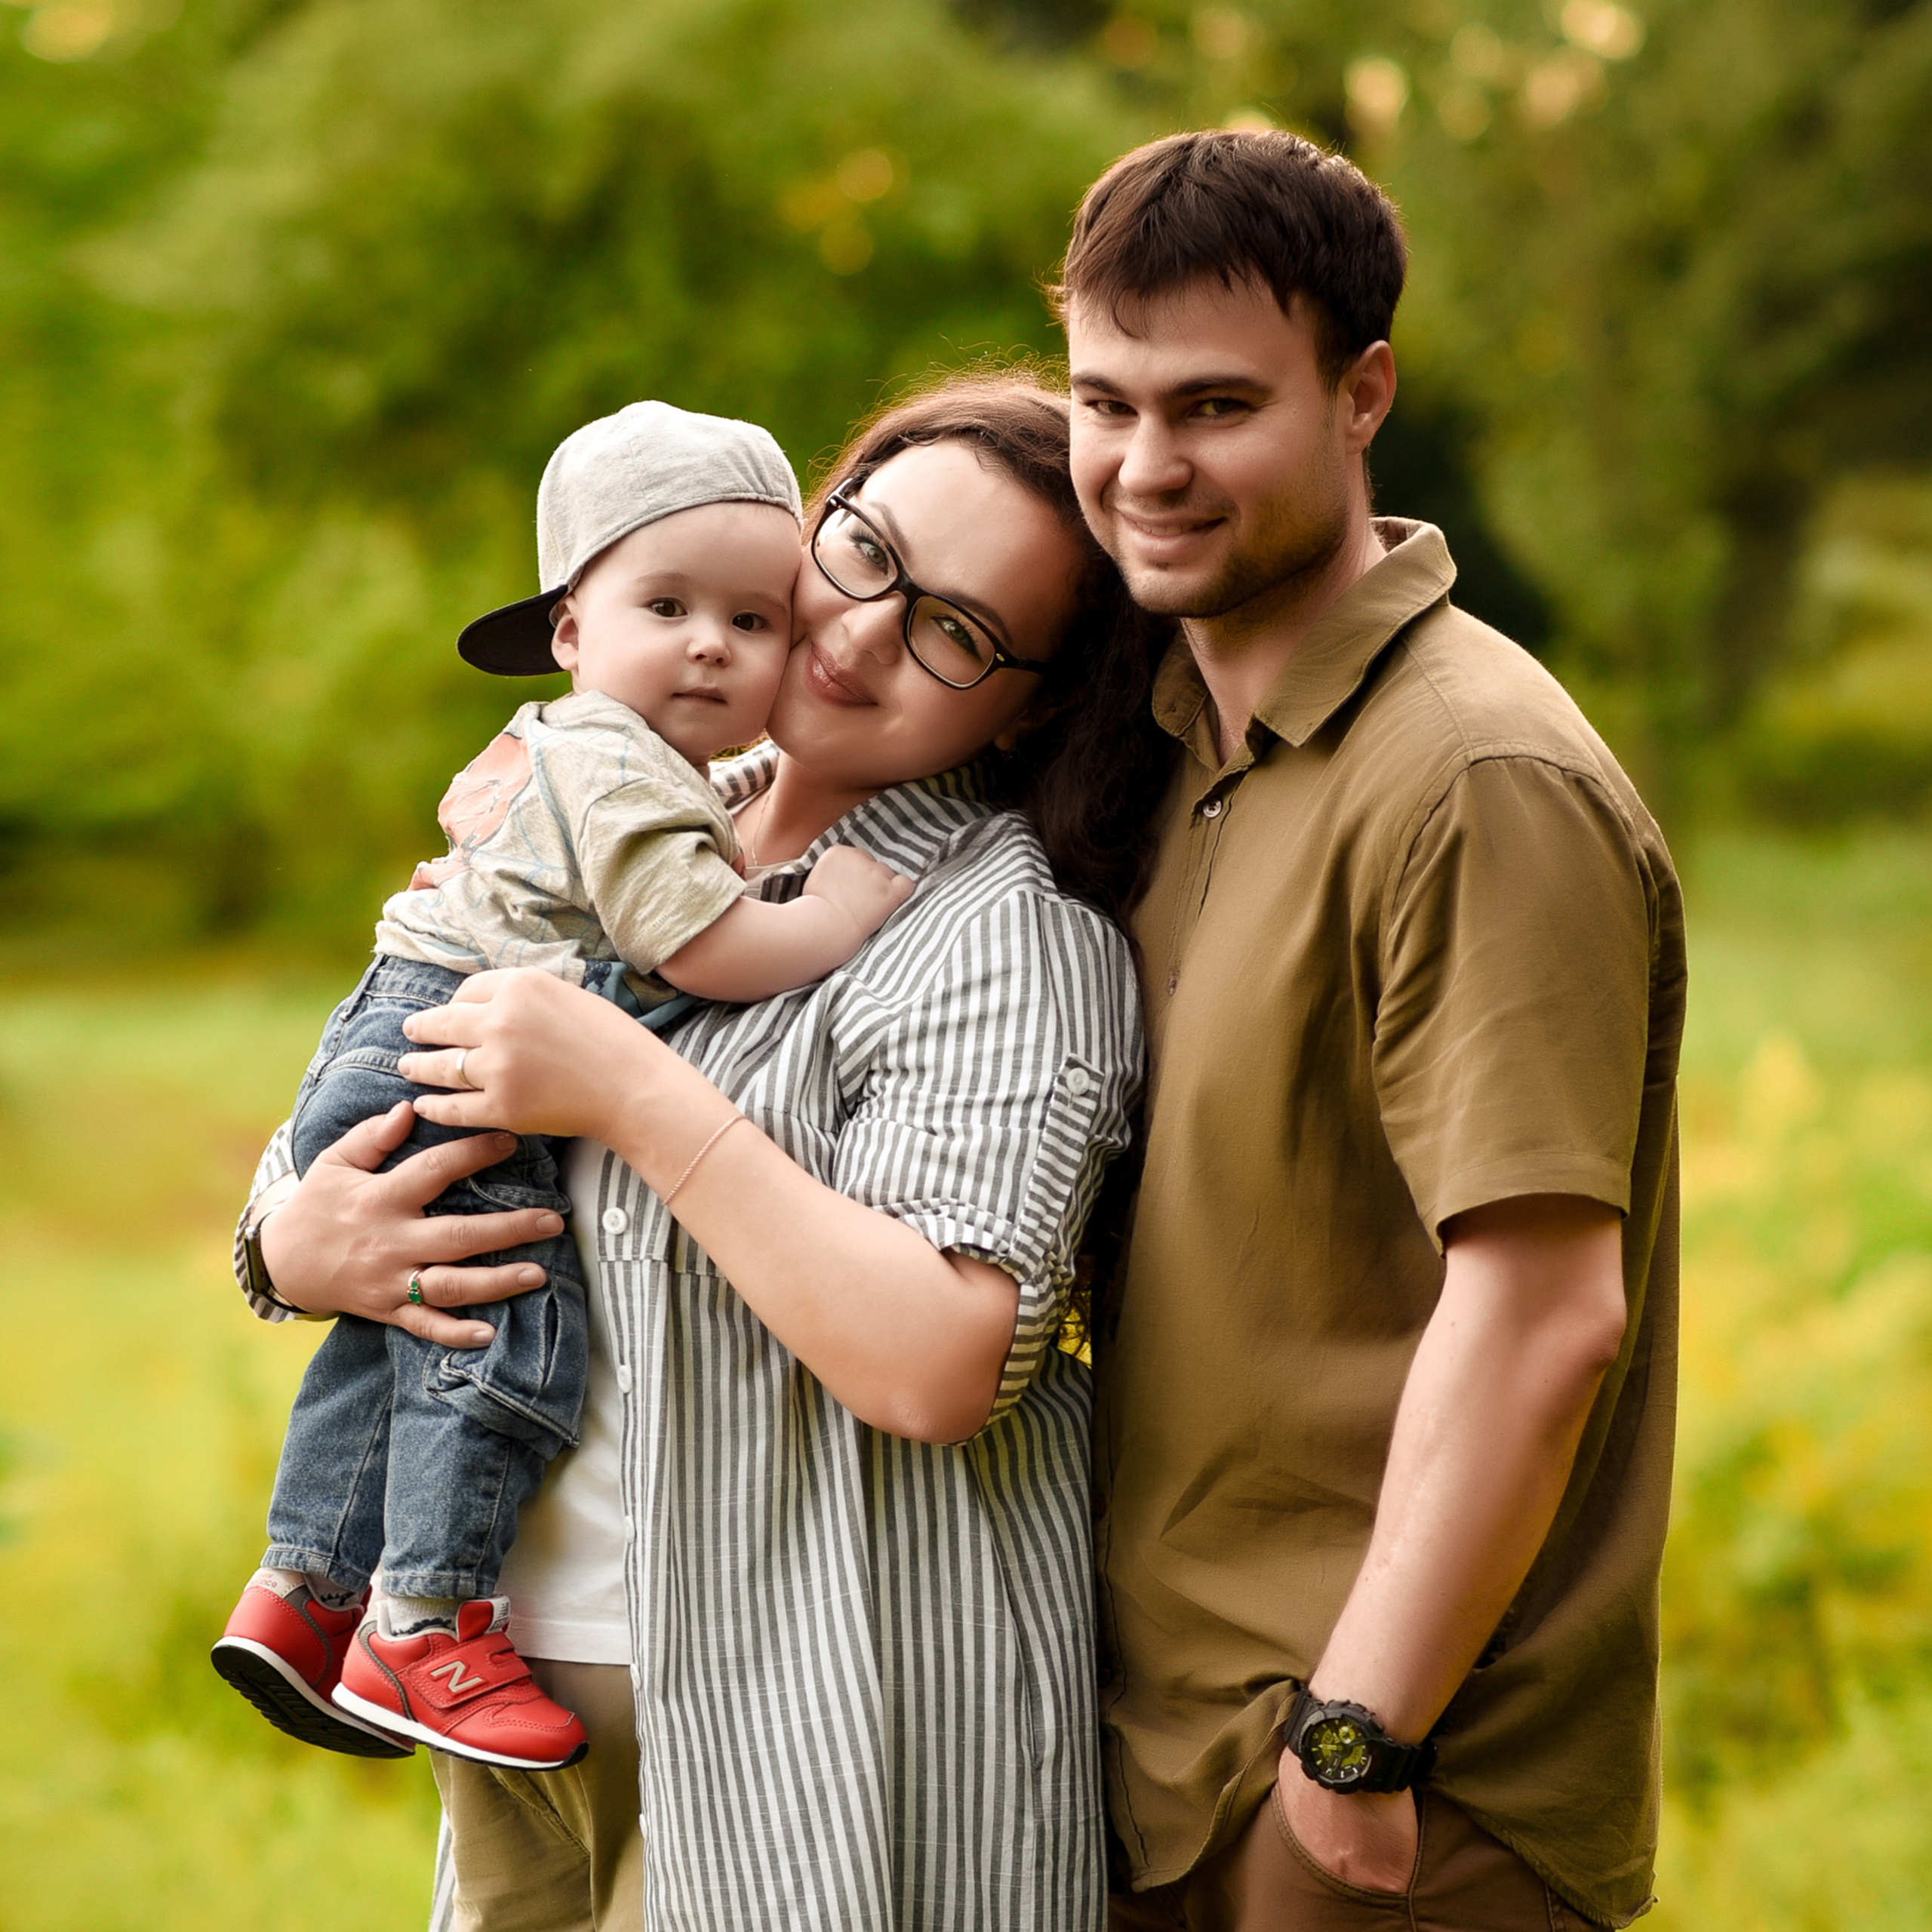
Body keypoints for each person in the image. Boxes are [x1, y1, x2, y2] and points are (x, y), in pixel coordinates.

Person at [230, 371, 1170, 1932]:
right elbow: (380, 1061)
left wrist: (631, 1089)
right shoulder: (594, 807)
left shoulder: (1000, 940)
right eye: (861, 551)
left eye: (956, 630)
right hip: (510, 1679)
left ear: (1032, 702)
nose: (861, 631)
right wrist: (291, 1238)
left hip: (802, 1727)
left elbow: (943, 1357)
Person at [1058, 132, 1684, 1930]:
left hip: (1390, 1800)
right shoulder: (1175, 742)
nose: (1143, 465)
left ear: (1361, 394)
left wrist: (1354, 1741)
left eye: (1211, 405)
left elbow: (1543, 1307)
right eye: (1105, 403)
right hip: (1168, 1762)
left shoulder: (1471, 771)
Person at [214, 401, 912, 1773]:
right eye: (668, 604)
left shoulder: (608, 756)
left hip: (393, 1022)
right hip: (449, 1031)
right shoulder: (612, 762)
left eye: (755, 620)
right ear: (576, 632)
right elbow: (690, 942)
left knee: (406, 1324)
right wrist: (831, 917)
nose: (714, 643)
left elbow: (671, 846)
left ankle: (305, 1589)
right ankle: (427, 1618)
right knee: (500, 1315)